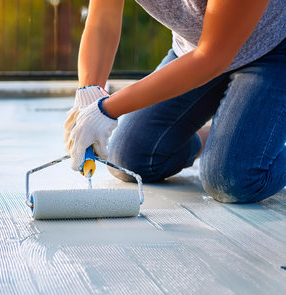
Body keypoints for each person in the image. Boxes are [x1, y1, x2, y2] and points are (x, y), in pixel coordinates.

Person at [64, 0, 285, 203]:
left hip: (273, 51)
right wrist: (89, 97)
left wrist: (106, 110)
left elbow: (213, 57)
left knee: (232, 178)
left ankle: (241, 141)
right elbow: (103, 17)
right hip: (194, 50)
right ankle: (223, 138)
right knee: (130, 157)